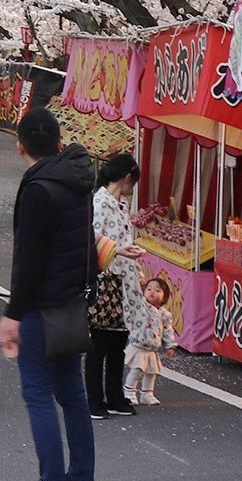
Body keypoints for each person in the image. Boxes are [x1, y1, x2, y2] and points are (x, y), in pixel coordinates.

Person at [0, 108, 95, 481]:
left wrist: (13, 313)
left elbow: (30, 259)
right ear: (58, 140)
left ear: (20, 145)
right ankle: (81, 479)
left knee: (38, 393)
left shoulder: (38, 188)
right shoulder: (78, 178)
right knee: (72, 391)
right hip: (72, 300)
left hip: (41, 304)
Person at [88, 154, 145, 419]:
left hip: (122, 279)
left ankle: (114, 395)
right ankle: (94, 399)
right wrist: (121, 251)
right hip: (105, 277)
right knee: (99, 341)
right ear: (127, 177)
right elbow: (93, 240)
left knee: (117, 340)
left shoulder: (120, 203)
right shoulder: (99, 202)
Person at [124, 276, 175, 406]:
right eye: (149, 289)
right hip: (139, 345)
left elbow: (168, 330)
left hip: (152, 348)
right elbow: (134, 299)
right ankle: (129, 392)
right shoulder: (142, 306)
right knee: (137, 369)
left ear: (164, 297)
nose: (152, 292)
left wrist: (170, 345)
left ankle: (147, 393)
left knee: (152, 372)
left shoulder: (164, 314)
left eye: (158, 290)